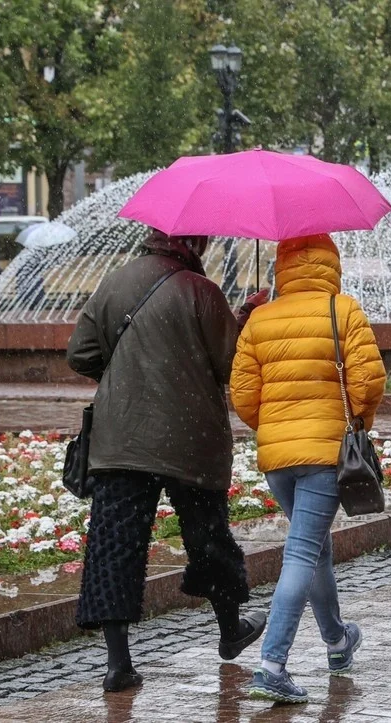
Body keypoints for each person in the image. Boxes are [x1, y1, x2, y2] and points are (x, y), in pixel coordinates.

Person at [67, 230, 271, 692]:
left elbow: (80, 353)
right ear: (193, 243)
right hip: (190, 439)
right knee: (208, 536)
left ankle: (118, 665)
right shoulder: (201, 291)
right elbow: (230, 364)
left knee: (115, 544)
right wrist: (247, 320)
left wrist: (127, 377)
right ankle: (230, 631)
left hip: (122, 441)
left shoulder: (115, 282)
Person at [231, 233, 386, 704]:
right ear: (330, 263)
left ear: (283, 266)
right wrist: (357, 423)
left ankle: (338, 642)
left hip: (278, 460)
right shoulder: (344, 310)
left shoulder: (260, 319)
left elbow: (242, 395)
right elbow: (369, 382)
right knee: (301, 554)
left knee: (314, 550)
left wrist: (274, 428)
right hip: (324, 454)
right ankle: (271, 665)